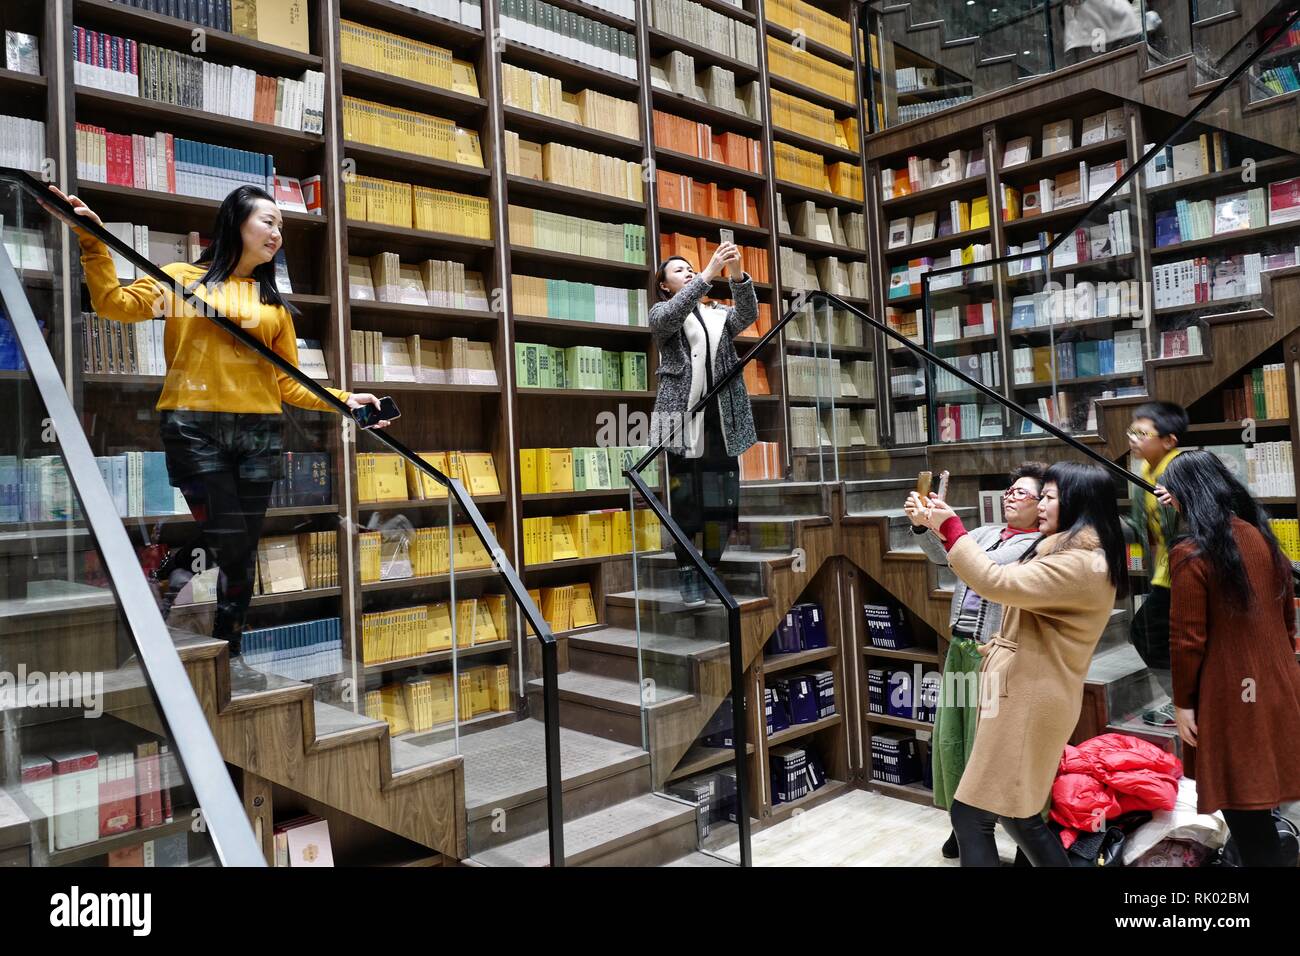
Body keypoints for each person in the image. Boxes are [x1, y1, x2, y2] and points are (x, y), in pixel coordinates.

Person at [53, 184, 391, 689]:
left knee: (243, 548)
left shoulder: (272, 304)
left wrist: (345, 400)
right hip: (194, 427)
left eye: (281, 226)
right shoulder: (181, 280)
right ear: (236, 223)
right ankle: (174, 592)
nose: (278, 233)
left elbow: (286, 384)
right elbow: (113, 305)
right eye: (269, 221)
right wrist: (93, 242)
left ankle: (229, 652)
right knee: (231, 540)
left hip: (259, 432)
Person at [907, 462, 1126, 866]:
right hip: (1020, 687)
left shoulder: (1079, 562)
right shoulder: (1063, 550)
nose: (1039, 503)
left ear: (1077, 503)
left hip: (1028, 697)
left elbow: (994, 580)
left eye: (1047, 497)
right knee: (1017, 814)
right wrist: (935, 525)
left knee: (973, 814)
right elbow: (965, 562)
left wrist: (950, 523)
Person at [1158, 450, 1300, 866]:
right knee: (1257, 812)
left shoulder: (1191, 552)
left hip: (1232, 698)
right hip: (1275, 684)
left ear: (1185, 495)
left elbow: (1186, 638)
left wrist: (1183, 703)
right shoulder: (1260, 535)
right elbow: (1287, 616)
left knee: (1248, 821)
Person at [908, 462, 1047, 860]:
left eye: (1021, 492)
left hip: (996, 652)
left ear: (1042, 505)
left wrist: (946, 527)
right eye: (1009, 490)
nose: (1010, 496)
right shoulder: (986, 533)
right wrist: (924, 526)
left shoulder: (1038, 543)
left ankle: (1015, 837)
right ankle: (960, 823)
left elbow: (985, 568)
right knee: (953, 736)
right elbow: (945, 556)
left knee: (990, 745)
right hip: (961, 648)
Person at [649, 243, 757, 607]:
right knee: (686, 502)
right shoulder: (662, 312)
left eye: (691, 268)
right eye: (679, 270)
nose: (689, 272)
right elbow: (674, 315)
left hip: (721, 418)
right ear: (664, 285)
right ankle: (686, 574)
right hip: (681, 419)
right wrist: (710, 273)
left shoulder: (716, 313)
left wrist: (737, 273)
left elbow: (748, 313)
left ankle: (710, 569)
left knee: (723, 503)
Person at [1124, 400, 1187, 728]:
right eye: (1131, 432)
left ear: (1169, 440)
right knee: (1151, 634)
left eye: (1142, 433)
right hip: (1166, 574)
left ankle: (1184, 705)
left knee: (1145, 633)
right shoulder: (1144, 471)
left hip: (1186, 573)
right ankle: (1186, 702)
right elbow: (1137, 527)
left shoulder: (1180, 469)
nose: (1133, 439)